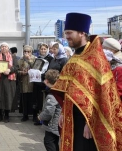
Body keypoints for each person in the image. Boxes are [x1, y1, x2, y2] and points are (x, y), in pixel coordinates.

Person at [52, 12, 122, 151]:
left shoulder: (96, 59)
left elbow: (101, 96)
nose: (67, 37)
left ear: (82, 33)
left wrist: (91, 123)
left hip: (88, 123)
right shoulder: (75, 56)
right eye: (65, 33)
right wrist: (62, 113)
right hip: (72, 118)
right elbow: (67, 90)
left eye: (70, 33)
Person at [0, 42, 18, 123]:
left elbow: (16, 66)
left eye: (5, 46)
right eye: (2, 47)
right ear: (0, 48)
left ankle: (7, 115)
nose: (4, 48)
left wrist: (10, 70)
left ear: (8, 48)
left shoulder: (13, 56)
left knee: (7, 97)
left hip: (8, 80)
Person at [38, 69, 61, 151]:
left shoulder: (52, 95)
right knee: (54, 142)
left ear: (47, 81)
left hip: (52, 125)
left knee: (48, 142)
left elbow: (49, 111)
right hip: (56, 124)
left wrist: (40, 117)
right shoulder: (59, 92)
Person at [17, 45, 36, 122]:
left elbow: (36, 68)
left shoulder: (34, 59)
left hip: (32, 81)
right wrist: (21, 72)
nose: (26, 53)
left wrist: (29, 60)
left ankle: (34, 115)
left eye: (28, 51)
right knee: (24, 99)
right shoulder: (20, 59)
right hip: (24, 81)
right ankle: (25, 115)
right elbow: (16, 70)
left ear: (31, 52)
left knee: (33, 99)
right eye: (25, 51)